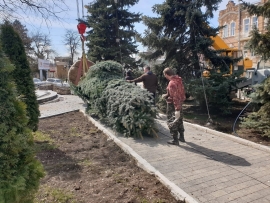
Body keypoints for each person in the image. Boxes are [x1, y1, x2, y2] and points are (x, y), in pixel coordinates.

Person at [162, 67, 186, 145]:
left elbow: (175, 97)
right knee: (179, 120)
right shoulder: (178, 80)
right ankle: (182, 137)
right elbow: (180, 92)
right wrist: (166, 95)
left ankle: (175, 140)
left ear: (166, 74)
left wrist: (177, 109)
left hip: (173, 105)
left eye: (164, 75)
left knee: (171, 121)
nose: (164, 76)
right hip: (180, 103)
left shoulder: (172, 83)